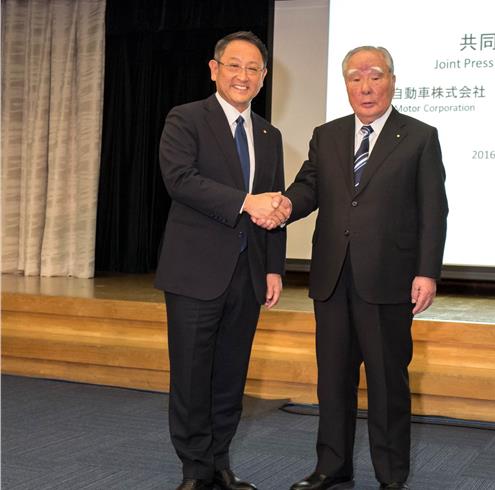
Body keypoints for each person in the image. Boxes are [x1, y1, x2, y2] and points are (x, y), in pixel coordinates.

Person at [273, 46, 448, 490]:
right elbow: (309, 187)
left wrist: (427, 271)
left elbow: (433, 210)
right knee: (332, 380)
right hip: (332, 277)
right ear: (345, 83)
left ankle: (391, 475)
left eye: (375, 76)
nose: (365, 86)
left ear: (392, 79)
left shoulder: (419, 136)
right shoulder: (326, 134)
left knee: (388, 384)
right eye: (355, 77)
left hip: (388, 280)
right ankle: (332, 466)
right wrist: (285, 205)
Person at [155, 31, 287, 490]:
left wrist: (273, 266)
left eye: (253, 69)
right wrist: (246, 202)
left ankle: (220, 464)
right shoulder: (186, 118)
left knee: (231, 377)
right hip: (194, 272)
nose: (243, 76)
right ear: (215, 69)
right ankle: (194, 470)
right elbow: (180, 180)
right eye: (234, 65)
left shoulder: (270, 134)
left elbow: (273, 207)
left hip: (248, 274)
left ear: (264, 77)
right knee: (191, 376)